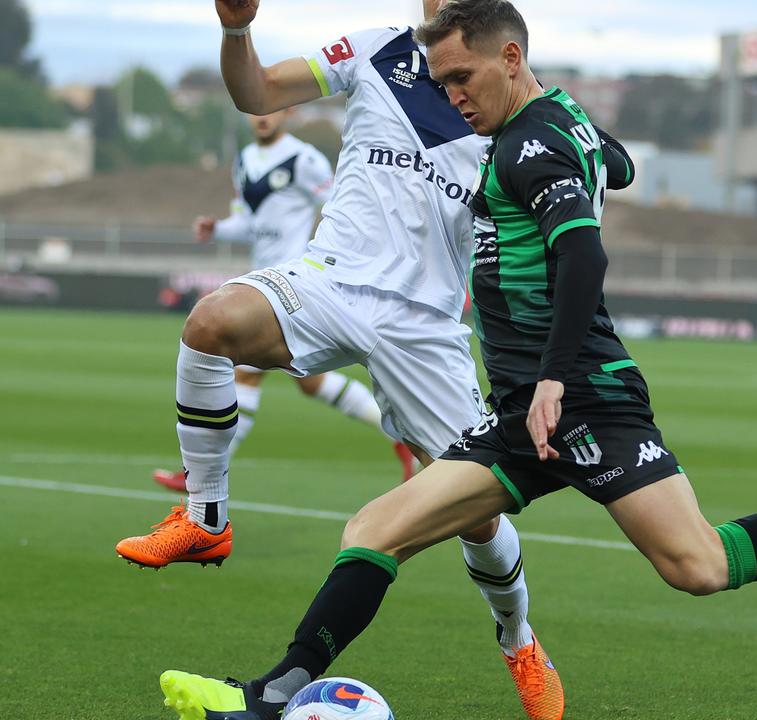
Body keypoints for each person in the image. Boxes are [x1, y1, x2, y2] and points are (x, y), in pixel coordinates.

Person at [154, 3, 757, 719]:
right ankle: (274, 696)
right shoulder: (552, 121)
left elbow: (584, 258)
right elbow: (620, 164)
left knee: (697, 566)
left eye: (462, 79)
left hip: (587, 398)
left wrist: (558, 379)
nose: (453, 97)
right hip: (518, 410)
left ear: (508, 56)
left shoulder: (528, 148)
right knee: (375, 527)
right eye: (440, 82)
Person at [123, 1, 574, 716]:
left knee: (477, 516)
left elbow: (586, 172)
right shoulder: (374, 49)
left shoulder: (512, 98)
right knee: (210, 323)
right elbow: (257, 92)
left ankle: (518, 638)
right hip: (331, 280)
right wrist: (236, 30)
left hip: (426, 322)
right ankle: (207, 518)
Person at [151, 109, 416, 493]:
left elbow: (342, 206)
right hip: (261, 281)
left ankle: (201, 476)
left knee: (241, 369)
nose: (263, 117)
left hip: (294, 282)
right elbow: (248, 223)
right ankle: (403, 438)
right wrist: (218, 228)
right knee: (309, 383)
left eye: (271, 108)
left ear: (288, 112)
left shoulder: (304, 159)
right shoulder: (243, 161)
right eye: (255, 110)